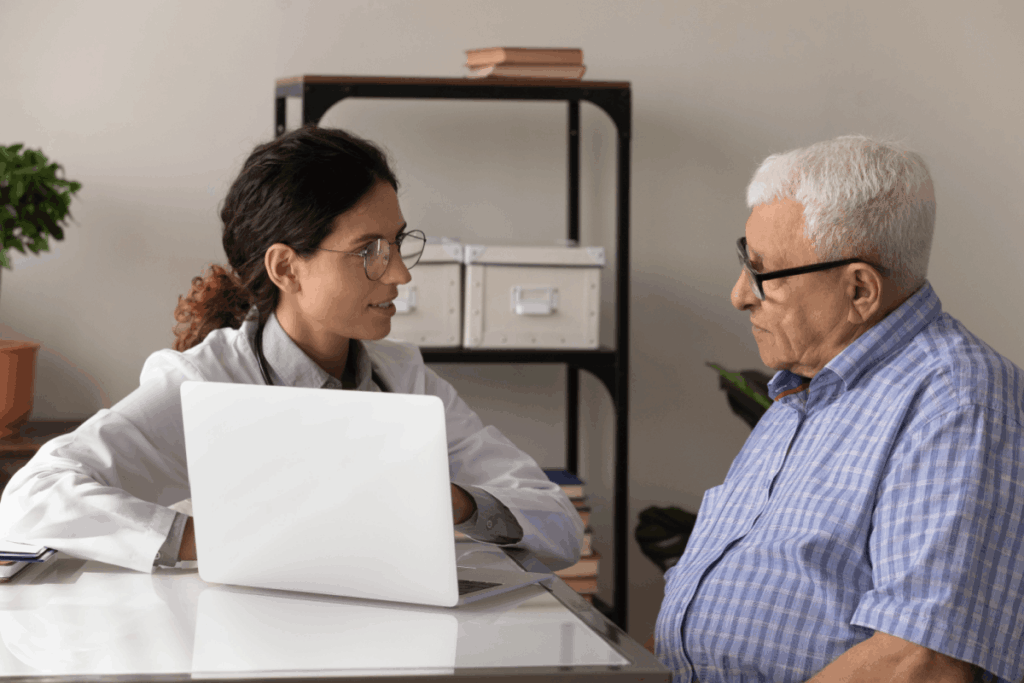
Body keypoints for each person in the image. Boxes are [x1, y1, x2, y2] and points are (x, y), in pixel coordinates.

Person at [0, 124, 584, 573]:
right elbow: (31, 498)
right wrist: (229, 541)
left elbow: (559, 527)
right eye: (370, 250)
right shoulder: (205, 383)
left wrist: (449, 499)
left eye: (399, 243)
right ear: (287, 267)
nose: (401, 273)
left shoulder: (405, 379)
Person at [652, 135, 1024, 682]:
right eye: (743, 260)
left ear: (859, 291)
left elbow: (922, 660)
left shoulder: (957, 399)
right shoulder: (805, 385)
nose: (739, 294)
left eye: (762, 272)